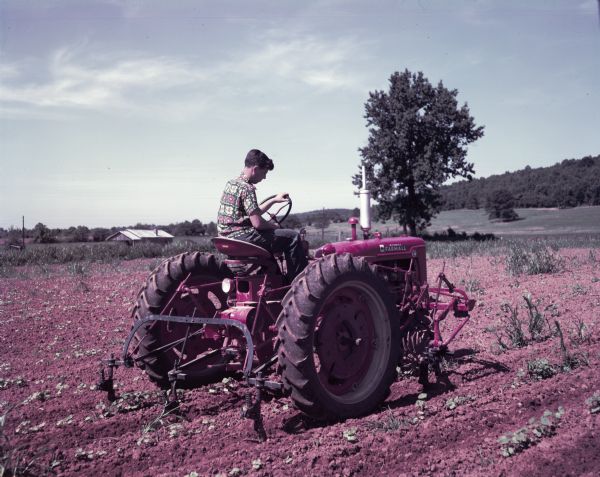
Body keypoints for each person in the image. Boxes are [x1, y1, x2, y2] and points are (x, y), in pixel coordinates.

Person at [217, 149, 308, 282]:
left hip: (225, 236)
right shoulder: (247, 188)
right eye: (264, 173)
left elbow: (254, 211)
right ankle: (298, 284)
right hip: (241, 237)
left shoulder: (232, 183)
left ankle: (274, 280)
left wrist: (274, 200)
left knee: (271, 239)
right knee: (293, 237)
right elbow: (258, 223)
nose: (264, 177)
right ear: (255, 169)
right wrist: (274, 226)